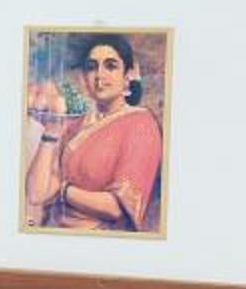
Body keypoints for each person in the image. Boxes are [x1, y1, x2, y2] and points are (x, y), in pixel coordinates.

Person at [24, 35, 163, 232]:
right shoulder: (76, 124)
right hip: (56, 233)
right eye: (91, 67)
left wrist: (64, 191)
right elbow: (36, 195)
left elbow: (116, 208)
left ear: (127, 76)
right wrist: (50, 133)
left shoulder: (141, 124)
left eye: (110, 66)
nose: (99, 75)